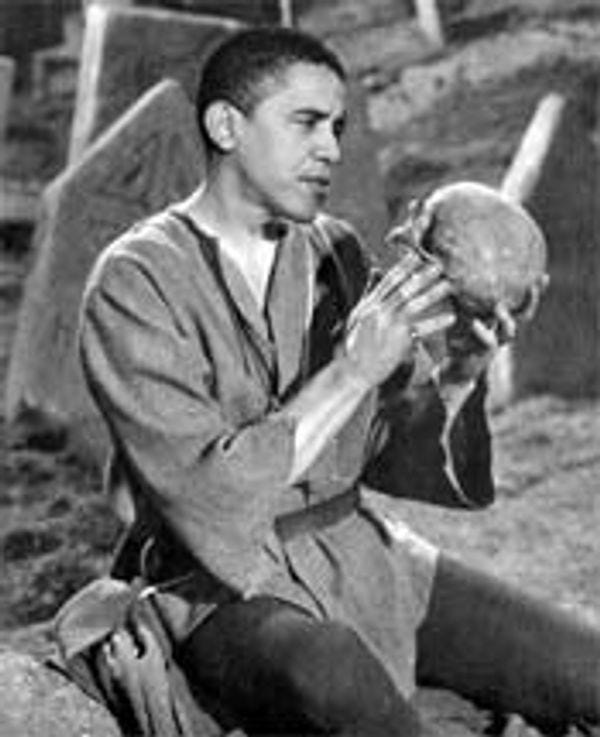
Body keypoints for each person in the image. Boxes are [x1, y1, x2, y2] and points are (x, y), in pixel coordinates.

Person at [78, 27, 600, 737]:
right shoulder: (133, 282)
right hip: (212, 586)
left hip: (366, 560)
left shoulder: (336, 251)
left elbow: (385, 449)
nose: (330, 147)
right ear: (226, 125)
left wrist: (461, 367)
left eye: (337, 126)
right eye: (306, 122)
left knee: (584, 667)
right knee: (333, 676)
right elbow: (209, 496)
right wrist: (351, 371)